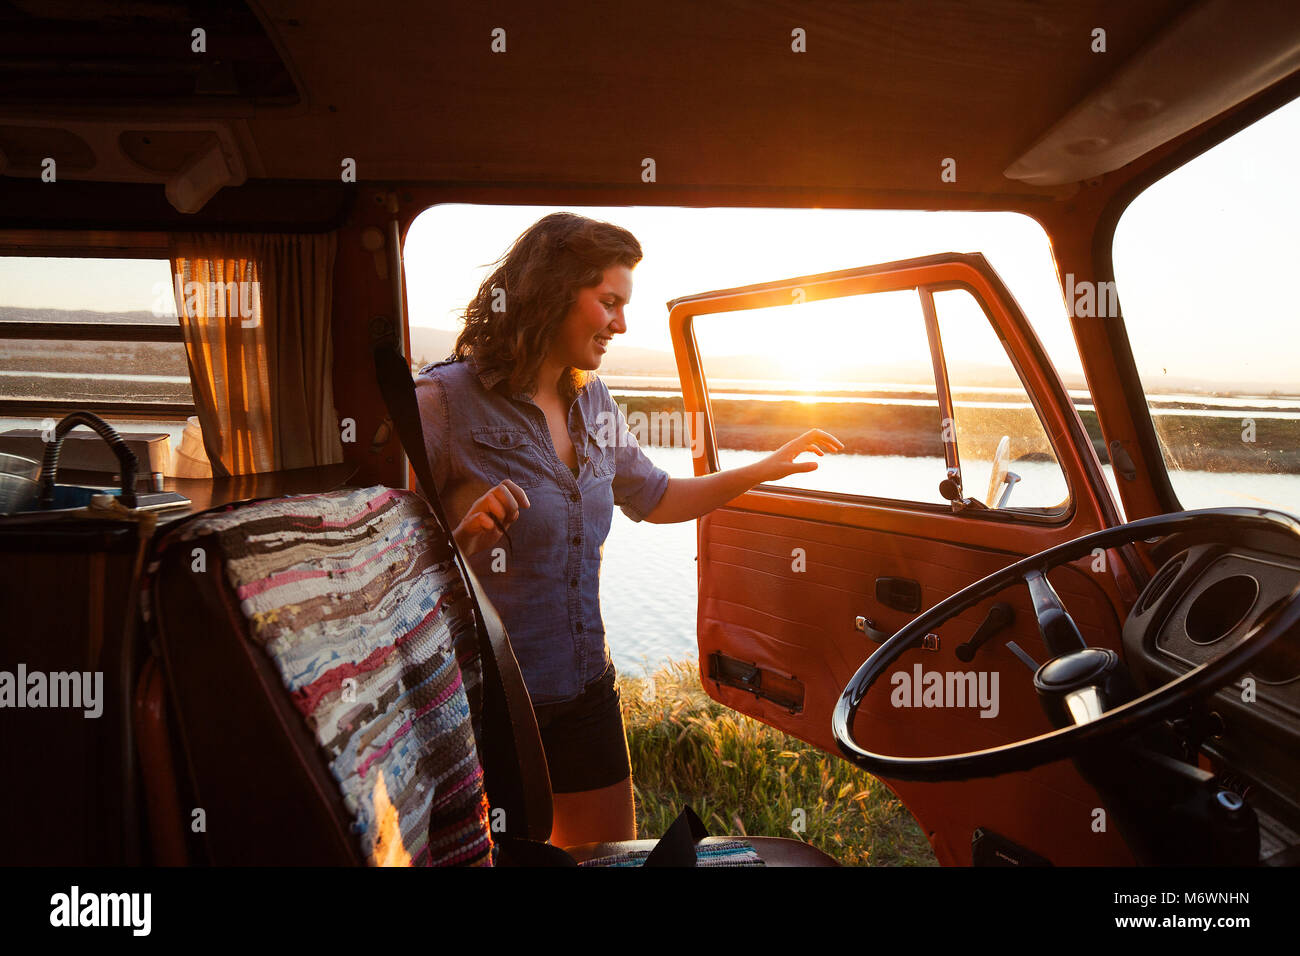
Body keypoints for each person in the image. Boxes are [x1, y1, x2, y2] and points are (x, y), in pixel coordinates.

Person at [414, 212, 842, 848]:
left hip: (586, 687)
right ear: (552, 291)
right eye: (608, 302)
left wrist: (765, 468)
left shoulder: (594, 401)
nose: (621, 324)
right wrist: (462, 540)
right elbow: (393, 555)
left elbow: (657, 496)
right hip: (492, 703)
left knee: (611, 862)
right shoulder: (444, 401)